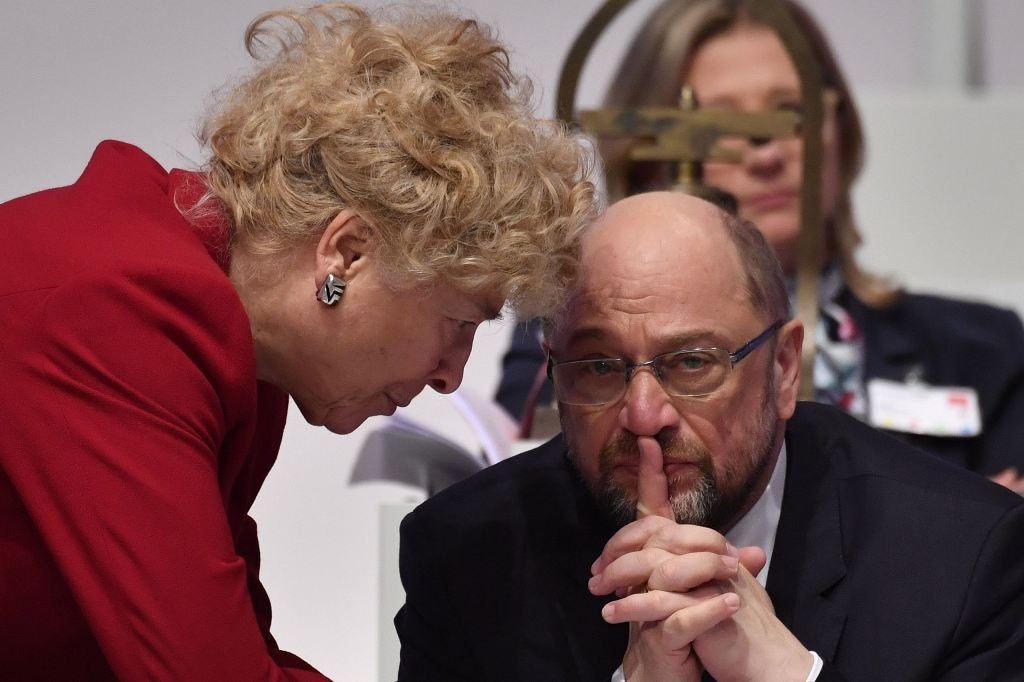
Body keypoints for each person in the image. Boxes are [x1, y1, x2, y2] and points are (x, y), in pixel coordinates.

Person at [0, 4, 596, 678]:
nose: (451, 376)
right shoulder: (123, 312)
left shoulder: (238, 355)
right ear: (346, 253)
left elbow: (237, 650)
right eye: (460, 323)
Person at [396, 192, 1024, 681]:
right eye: (598, 368)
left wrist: (790, 677)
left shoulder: (961, 560)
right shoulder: (470, 558)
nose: (644, 415)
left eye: (693, 363)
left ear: (782, 370)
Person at [495, 0, 1024, 491]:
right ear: (649, 152)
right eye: (719, 124)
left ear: (838, 132)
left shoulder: (981, 348)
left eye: (790, 114)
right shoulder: (573, 338)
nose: (766, 156)